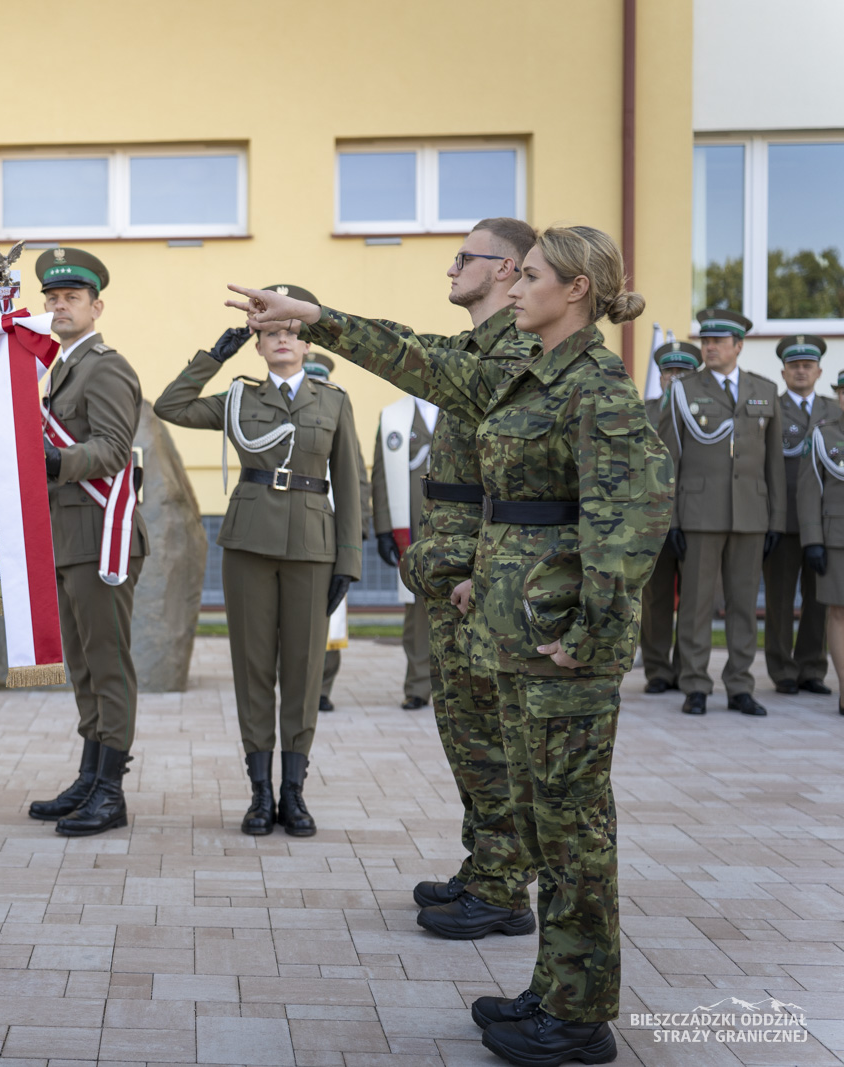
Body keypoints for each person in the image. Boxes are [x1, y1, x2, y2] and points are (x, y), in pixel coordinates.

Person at [227, 223, 668, 1066]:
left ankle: (579, 1018)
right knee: (547, 820)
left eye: (531, 274)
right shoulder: (523, 370)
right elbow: (417, 356)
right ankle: (555, 988)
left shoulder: (598, 387)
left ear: (573, 290)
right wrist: (314, 316)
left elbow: (631, 521)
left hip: (559, 646)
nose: (519, 285)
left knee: (575, 832)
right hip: (520, 629)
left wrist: (592, 637)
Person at [153, 284, 361, 837]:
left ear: (306, 339)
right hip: (247, 545)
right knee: (252, 670)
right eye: (270, 333)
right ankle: (258, 792)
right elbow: (170, 405)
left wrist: (349, 561)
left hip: (313, 549)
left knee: (303, 671)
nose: (282, 341)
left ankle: (293, 793)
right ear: (258, 344)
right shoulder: (240, 398)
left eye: (291, 331)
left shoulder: (334, 402)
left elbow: (350, 484)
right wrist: (217, 352)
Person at [398, 218, 542, 943]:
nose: (450, 268)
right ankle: (485, 864)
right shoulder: (470, 350)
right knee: (465, 734)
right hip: (451, 572)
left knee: (488, 738)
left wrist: (484, 575)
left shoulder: (515, 355)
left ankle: (504, 890)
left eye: (465, 258)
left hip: (479, 582)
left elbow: (511, 490)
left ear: (508, 268)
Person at [29, 248, 149, 837]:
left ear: (96, 305)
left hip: (102, 536)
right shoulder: (56, 369)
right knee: (82, 665)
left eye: (71, 297)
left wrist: (52, 459)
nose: (59, 306)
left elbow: (112, 449)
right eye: (52, 298)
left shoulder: (105, 366)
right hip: (65, 536)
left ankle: (111, 790)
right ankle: (88, 774)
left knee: (108, 665)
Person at [661, 308, 783, 716]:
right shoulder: (684, 389)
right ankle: (695, 684)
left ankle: (740, 686)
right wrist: (672, 519)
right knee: (696, 604)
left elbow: (774, 466)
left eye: (717, 341)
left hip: (751, 514)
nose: (709, 347)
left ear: (738, 346)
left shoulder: (764, 391)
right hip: (698, 512)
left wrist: (775, 521)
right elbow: (669, 460)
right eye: (705, 341)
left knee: (744, 604)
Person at [765, 335, 834, 696]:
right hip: (784, 521)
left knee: (820, 600)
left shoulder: (834, 411)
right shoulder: (770, 409)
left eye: (807, 365)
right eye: (795, 366)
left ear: (819, 371)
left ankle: (811, 668)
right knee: (778, 599)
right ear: (783, 372)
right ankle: (782, 670)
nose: (801, 371)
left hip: (826, 526)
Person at [639, 341, 702, 693]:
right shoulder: (641, 410)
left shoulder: (707, 413)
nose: (675, 378)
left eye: (683, 373)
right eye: (669, 372)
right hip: (652, 518)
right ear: (660, 377)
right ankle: (658, 670)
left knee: (694, 597)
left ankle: (689, 668)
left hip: (695, 515)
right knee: (656, 597)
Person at [310, 353, 371, 712]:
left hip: (334, 530)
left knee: (333, 611)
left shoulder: (338, 411)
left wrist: (359, 529)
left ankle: (322, 687)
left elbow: (356, 479)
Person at [372, 394, 436, 709]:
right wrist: (384, 528)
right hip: (413, 530)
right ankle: (418, 686)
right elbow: (381, 475)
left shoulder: (465, 407)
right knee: (418, 613)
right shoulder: (393, 417)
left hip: (462, 529)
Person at [797, 350, 844, 715]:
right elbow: (810, 488)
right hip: (836, 538)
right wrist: (813, 540)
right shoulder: (823, 436)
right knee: (839, 614)